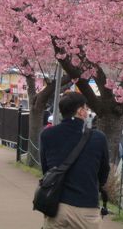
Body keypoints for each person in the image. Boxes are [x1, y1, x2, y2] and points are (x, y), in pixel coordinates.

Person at [39, 92, 110, 229]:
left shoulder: (47, 135)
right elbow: (103, 172)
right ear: (80, 111)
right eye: (86, 108)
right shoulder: (98, 138)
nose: (87, 111)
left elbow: (46, 170)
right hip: (86, 208)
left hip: (57, 208)